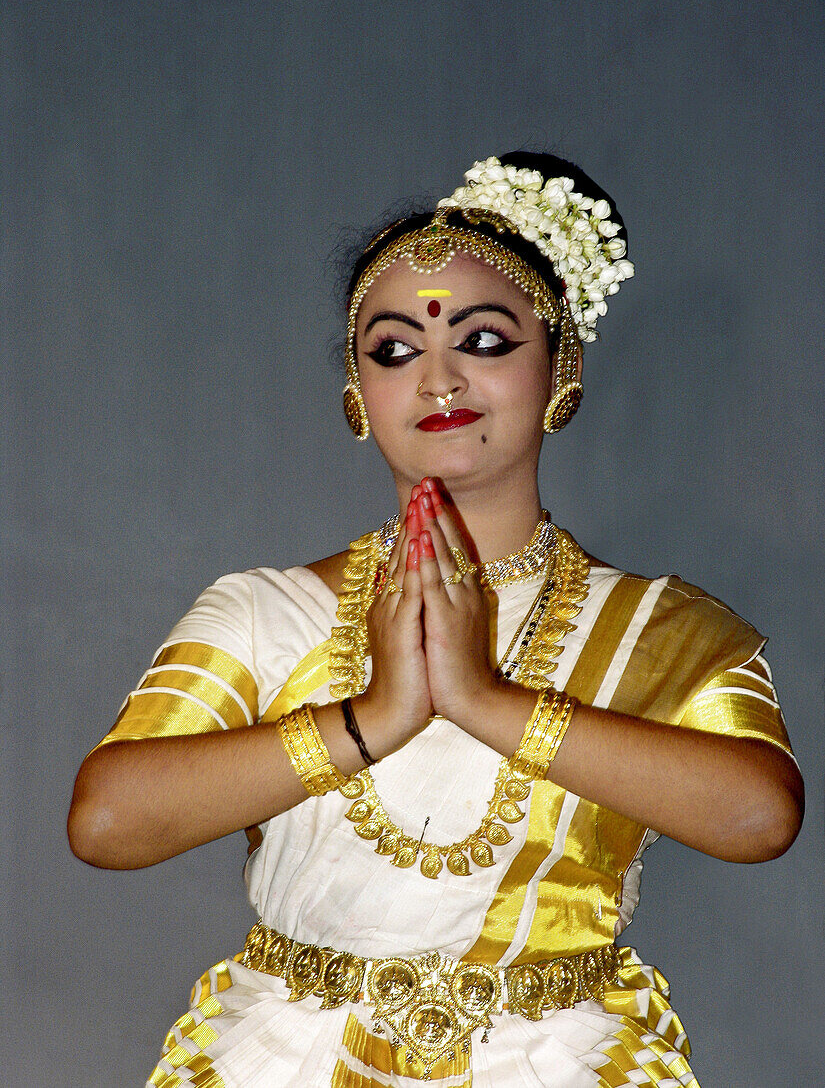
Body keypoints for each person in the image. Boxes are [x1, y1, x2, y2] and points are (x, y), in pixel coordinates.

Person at [68, 152, 804, 1088]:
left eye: (485, 341)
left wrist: (482, 700)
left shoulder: (666, 628)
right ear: (356, 392)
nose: (439, 380)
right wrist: (374, 718)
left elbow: (758, 814)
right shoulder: (263, 611)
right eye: (394, 350)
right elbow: (106, 822)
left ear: (559, 366)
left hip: (559, 1063)